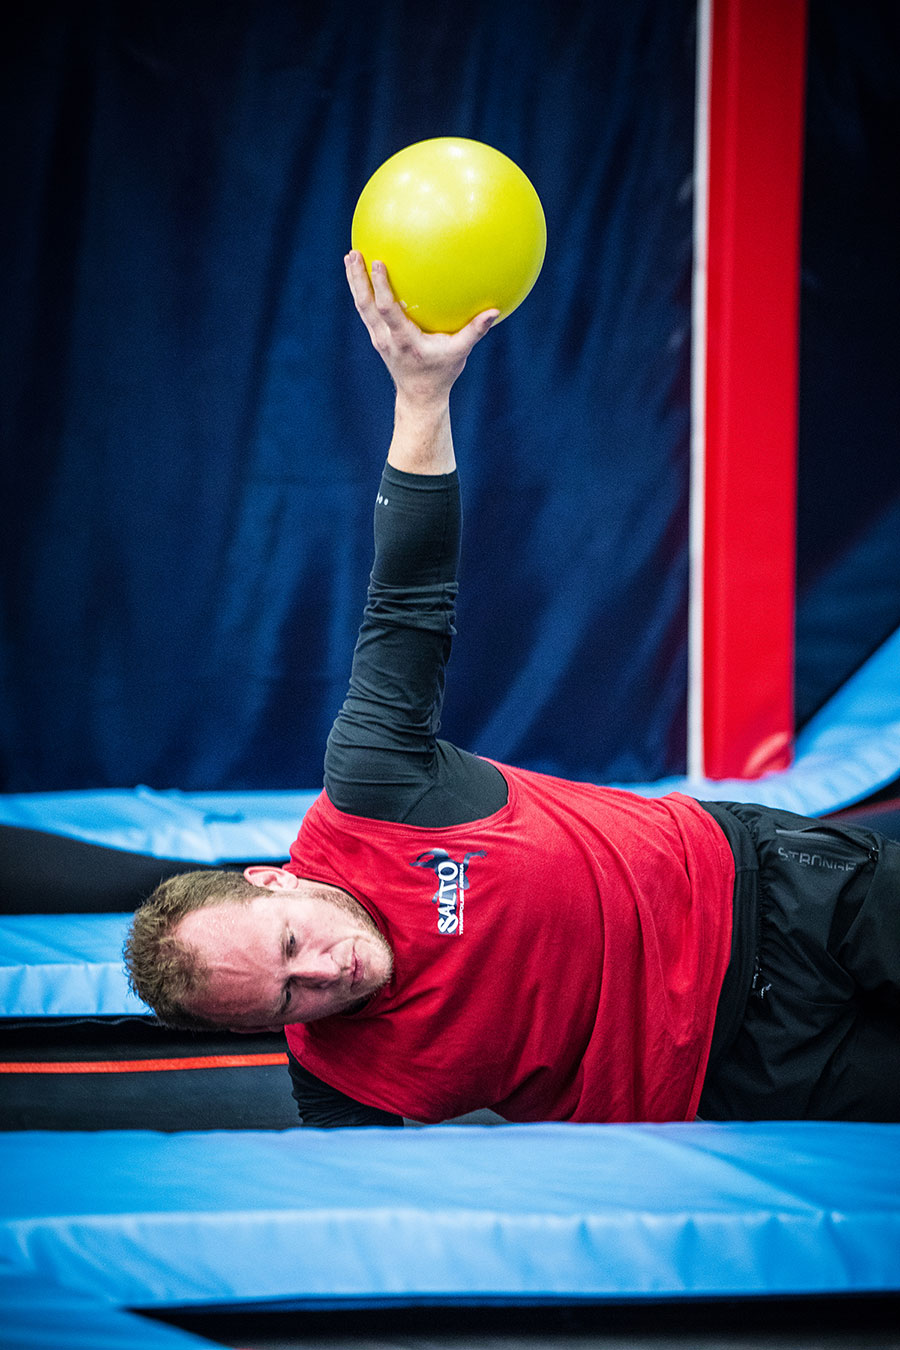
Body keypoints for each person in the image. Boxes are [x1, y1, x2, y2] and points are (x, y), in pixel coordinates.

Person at [124, 252, 900, 1127]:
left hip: (773, 894)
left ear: (275, 882)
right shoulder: (348, 1086)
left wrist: (420, 396)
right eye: (286, 1002)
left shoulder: (374, 793)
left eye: (294, 947)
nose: (325, 975)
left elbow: (408, 600)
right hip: (744, 1075)